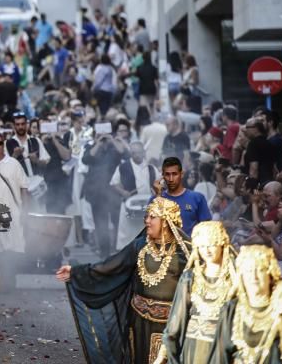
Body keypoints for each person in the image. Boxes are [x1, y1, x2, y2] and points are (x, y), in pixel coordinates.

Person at [57, 197, 190, 363]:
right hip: (137, 321)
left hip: (168, 326)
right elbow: (111, 266)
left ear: (166, 221)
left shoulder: (185, 252)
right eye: (146, 216)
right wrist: (76, 273)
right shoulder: (140, 245)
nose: (146, 221)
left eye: (152, 217)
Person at [158, 221, 237, 363]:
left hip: (220, 348)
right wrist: (164, 352)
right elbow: (177, 319)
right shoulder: (190, 277)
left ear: (221, 244)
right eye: (201, 246)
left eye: (211, 244)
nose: (206, 251)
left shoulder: (234, 278)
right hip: (192, 347)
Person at [212, 245, 282, 364]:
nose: (254, 277)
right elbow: (220, 354)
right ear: (241, 275)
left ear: (270, 275)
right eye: (249, 271)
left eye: (260, 270)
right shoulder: (231, 309)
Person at [82, 124, 128, 258]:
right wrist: (98, 142)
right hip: (96, 192)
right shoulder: (90, 146)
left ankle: (118, 249)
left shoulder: (115, 148)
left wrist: (112, 139)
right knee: (100, 224)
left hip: (113, 191)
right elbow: (86, 159)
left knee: (117, 221)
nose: (103, 137)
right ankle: (104, 252)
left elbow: (125, 154)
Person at [0, 132, 27, 260]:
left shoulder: (14, 163)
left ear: (3, 145)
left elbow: (24, 188)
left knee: (14, 250)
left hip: (14, 213)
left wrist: (25, 211)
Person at [151, 157, 211, 236]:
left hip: (190, 246)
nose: (171, 179)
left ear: (182, 174)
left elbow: (207, 228)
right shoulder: (155, 199)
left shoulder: (197, 198)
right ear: (163, 176)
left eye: (174, 174)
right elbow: (151, 228)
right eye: (167, 174)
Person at [4, 112, 46, 177]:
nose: (20, 127)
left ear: (26, 125)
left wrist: (36, 160)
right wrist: (15, 155)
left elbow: (45, 163)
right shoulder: (7, 143)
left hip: (38, 181)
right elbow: (6, 170)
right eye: (17, 124)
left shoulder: (36, 140)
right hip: (21, 184)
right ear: (14, 126)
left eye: (22, 124)